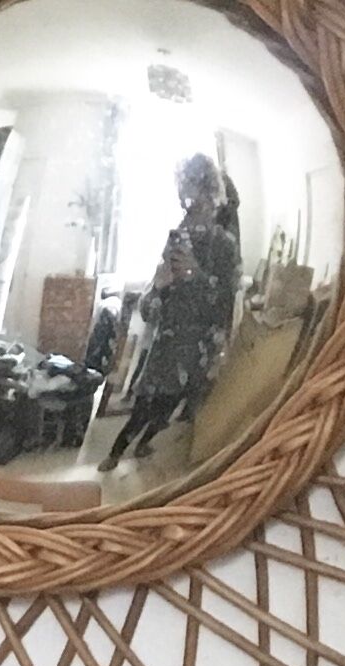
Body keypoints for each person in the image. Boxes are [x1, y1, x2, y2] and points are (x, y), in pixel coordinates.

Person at [110, 154, 243, 466]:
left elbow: (224, 307)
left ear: (212, 198)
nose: (190, 212)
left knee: (166, 411)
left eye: (197, 202)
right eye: (185, 202)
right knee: (142, 408)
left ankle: (144, 445)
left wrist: (196, 275)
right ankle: (115, 454)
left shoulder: (225, 246)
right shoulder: (177, 242)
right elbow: (148, 311)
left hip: (199, 352)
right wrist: (158, 286)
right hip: (165, 349)